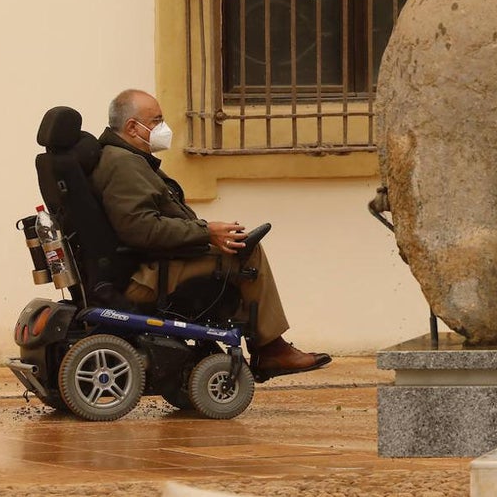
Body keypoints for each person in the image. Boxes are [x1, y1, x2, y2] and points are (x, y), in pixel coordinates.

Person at [90, 89, 330, 376]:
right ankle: (271, 350)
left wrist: (207, 233)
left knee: (237, 243)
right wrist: (207, 233)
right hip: (147, 275)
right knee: (247, 251)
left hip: (155, 261)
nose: (164, 128)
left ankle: (264, 341)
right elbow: (140, 229)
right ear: (132, 127)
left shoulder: (128, 159)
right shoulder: (123, 163)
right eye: (156, 121)